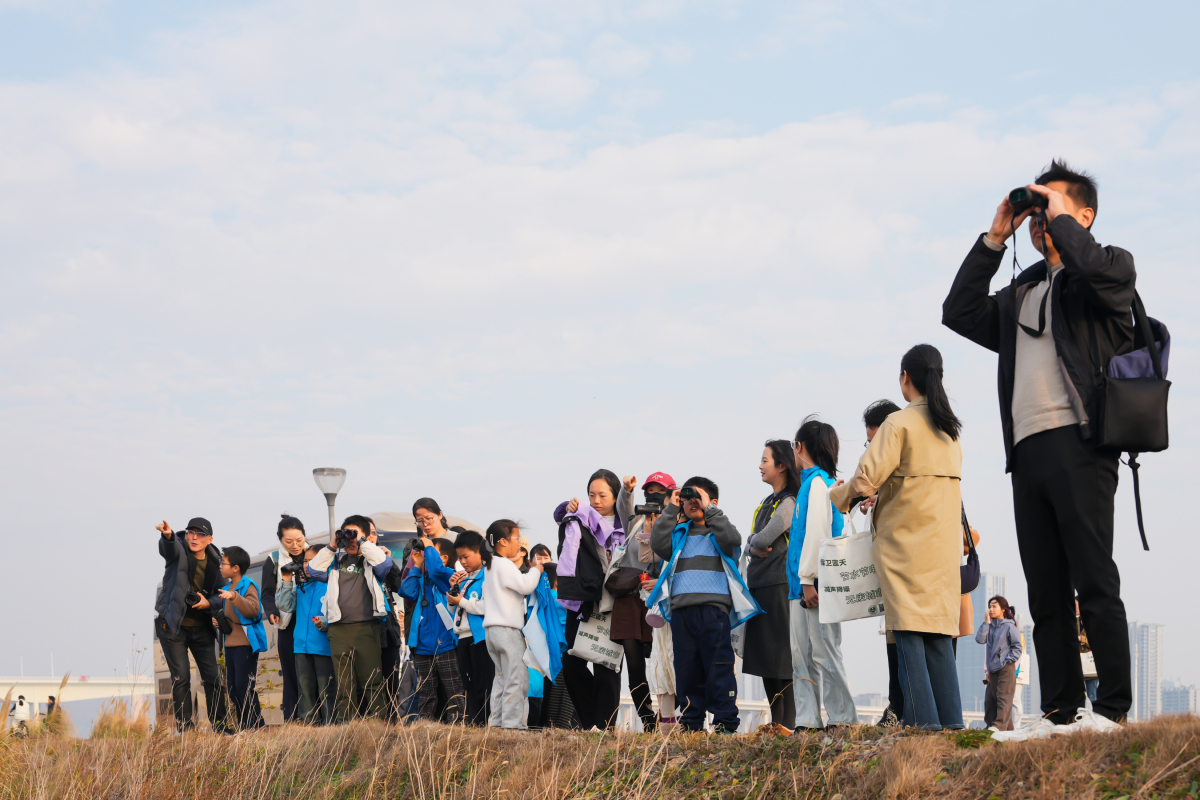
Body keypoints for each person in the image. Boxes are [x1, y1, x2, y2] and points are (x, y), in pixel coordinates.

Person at [942, 161, 1133, 732]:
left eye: (1053, 208)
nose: (1040, 221)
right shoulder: (1021, 291)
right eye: (1036, 211)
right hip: (1027, 452)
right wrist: (996, 237)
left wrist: (1058, 218)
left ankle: (1113, 710)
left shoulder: (1107, 270)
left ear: (1085, 216)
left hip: (1081, 443)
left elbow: (1100, 272)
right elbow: (959, 312)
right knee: (1045, 590)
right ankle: (1061, 711)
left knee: (1094, 580)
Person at [829, 345, 964, 731]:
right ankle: (951, 726)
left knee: (906, 633)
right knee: (938, 635)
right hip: (941, 549)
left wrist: (838, 497)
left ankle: (924, 728)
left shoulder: (899, 424)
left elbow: (864, 478)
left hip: (906, 546)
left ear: (906, 377)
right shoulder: (950, 431)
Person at [649, 477, 744, 734]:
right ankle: (691, 722)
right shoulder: (679, 534)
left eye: (697, 498)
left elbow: (733, 541)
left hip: (714, 611)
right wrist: (671, 506)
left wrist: (711, 510)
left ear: (712, 502)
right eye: (687, 499)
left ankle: (725, 721)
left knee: (719, 666)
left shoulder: (720, 532)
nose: (692, 503)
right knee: (686, 669)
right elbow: (657, 543)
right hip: (682, 612)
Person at [789, 417, 859, 731]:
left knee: (823, 651)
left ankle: (842, 717)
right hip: (802, 585)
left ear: (800, 447)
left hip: (813, 584)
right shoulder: (818, 484)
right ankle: (807, 719)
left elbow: (817, 533)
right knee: (803, 654)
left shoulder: (817, 484)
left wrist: (807, 579)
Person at [554, 469, 627, 730]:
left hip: (613, 602)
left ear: (616, 496)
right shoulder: (580, 519)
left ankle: (604, 726)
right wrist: (566, 507)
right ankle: (589, 723)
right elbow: (560, 519)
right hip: (581, 601)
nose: (596, 500)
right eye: (591, 494)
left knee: (607, 665)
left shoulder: (625, 525)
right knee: (572, 663)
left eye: (602, 495)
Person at [307, 515, 395, 722]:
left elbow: (385, 565)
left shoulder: (372, 562)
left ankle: (379, 728)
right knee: (344, 685)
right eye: (347, 535)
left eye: (355, 535)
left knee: (372, 681)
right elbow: (312, 569)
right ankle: (347, 730)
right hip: (338, 630)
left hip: (366, 629)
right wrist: (332, 546)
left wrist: (363, 541)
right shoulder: (335, 563)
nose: (351, 540)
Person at [154, 518, 230, 733]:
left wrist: (208, 603)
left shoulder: (216, 561)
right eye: (191, 533)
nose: (194, 537)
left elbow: (221, 595)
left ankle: (221, 726)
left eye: (200, 534)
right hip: (173, 626)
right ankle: (186, 730)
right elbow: (168, 549)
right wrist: (168, 535)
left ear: (210, 539)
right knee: (181, 678)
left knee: (213, 678)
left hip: (202, 626)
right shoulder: (178, 552)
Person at [742, 443, 799, 730]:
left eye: (765, 460)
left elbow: (763, 538)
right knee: (766, 660)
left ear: (782, 466)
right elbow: (753, 541)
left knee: (782, 659)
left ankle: (787, 724)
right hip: (760, 587)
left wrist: (753, 544)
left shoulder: (789, 502)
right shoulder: (766, 502)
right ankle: (777, 723)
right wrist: (753, 545)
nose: (760, 466)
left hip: (779, 586)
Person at [858, 400, 904, 726]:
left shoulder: (911, 468)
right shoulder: (888, 475)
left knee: (907, 642)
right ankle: (897, 708)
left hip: (909, 570)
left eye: (874, 442)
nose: (872, 451)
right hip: (892, 571)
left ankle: (905, 710)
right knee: (894, 641)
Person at [482, 519, 545, 729]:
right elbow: (525, 585)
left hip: (491, 632)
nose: (519, 543)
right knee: (516, 679)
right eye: (516, 538)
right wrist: (537, 569)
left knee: (501, 680)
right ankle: (512, 727)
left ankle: (497, 725)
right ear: (502, 541)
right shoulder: (504, 564)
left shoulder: (490, 566)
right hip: (508, 631)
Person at [610, 474, 658, 732]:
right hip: (629, 599)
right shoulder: (636, 520)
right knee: (635, 667)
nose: (653, 496)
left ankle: (673, 718)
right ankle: (649, 722)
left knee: (666, 662)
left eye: (660, 491)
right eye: (648, 491)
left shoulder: (675, 524)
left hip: (658, 599)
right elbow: (623, 507)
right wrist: (627, 491)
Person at [400, 536, 465, 723]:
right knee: (426, 693)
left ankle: (457, 728)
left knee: (453, 691)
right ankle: (425, 729)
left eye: (429, 550)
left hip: (445, 643)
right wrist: (416, 565)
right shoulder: (422, 578)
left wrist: (428, 545)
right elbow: (406, 591)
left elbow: (436, 570)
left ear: (443, 557)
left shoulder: (449, 575)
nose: (424, 551)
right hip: (422, 645)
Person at [278, 544, 337, 724]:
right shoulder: (303, 586)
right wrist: (287, 580)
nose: (306, 565)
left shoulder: (331, 585)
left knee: (326, 690)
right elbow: (285, 605)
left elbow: (338, 616)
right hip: (301, 647)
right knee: (305, 691)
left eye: (313, 561)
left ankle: (330, 727)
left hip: (324, 648)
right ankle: (308, 726)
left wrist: (324, 623)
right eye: (305, 561)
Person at [260, 514, 307, 722]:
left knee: (312, 671)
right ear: (280, 540)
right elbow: (267, 593)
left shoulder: (315, 555)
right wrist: (271, 612)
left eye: (299, 540)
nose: (295, 545)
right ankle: (293, 719)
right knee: (290, 673)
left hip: (311, 622)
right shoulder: (274, 559)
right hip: (287, 623)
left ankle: (315, 717)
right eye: (289, 541)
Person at [217, 545, 268, 730]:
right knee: (232, 690)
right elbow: (233, 618)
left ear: (236, 567)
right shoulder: (226, 588)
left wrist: (234, 597)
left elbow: (254, 610)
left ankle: (254, 726)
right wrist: (220, 623)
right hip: (229, 646)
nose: (221, 566)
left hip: (246, 645)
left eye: (223, 563)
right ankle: (246, 726)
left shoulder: (248, 585)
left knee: (244, 687)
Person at [448, 529, 493, 726]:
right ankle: (474, 723)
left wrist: (462, 602)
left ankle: (487, 722)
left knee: (485, 683)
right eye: (460, 558)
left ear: (480, 552)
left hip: (480, 637)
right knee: (469, 685)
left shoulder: (488, 575)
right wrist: (453, 593)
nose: (463, 562)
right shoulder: (465, 578)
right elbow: (454, 609)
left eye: (466, 556)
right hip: (463, 638)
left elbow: (487, 606)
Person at [365, 519, 405, 721]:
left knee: (391, 685)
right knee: (369, 685)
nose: (372, 537)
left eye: (374, 532)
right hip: (367, 632)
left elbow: (401, 587)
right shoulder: (350, 563)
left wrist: (389, 563)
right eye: (367, 533)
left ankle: (391, 726)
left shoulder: (384, 561)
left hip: (389, 632)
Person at [977, 596, 1023, 732]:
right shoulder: (990, 627)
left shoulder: (1010, 626)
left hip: (1006, 668)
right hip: (992, 669)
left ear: (1003, 609)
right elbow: (980, 639)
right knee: (990, 700)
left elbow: (1017, 648)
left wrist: (1006, 660)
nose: (990, 609)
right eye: (989, 606)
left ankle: (998, 727)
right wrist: (986, 623)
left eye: (994, 606)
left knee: (1003, 699)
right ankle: (1006, 730)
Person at [1077, 599, 1099, 705]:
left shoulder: (1092, 622)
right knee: (1077, 696)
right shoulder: (1074, 622)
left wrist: (1082, 639)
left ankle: (1096, 717)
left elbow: (1097, 641)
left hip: (1090, 665)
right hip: (1078, 664)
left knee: (1092, 695)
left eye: (1076, 605)